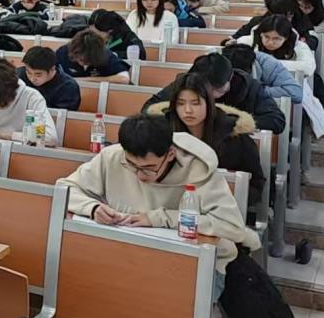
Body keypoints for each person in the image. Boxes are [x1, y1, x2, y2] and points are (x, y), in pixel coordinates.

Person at [56, 114, 261, 283]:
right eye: (131, 165)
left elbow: (231, 226)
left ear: (170, 154)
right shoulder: (112, 156)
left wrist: (159, 218)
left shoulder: (199, 170)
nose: (139, 175)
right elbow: (64, 188)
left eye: (149, 168)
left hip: (191, 265)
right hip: (127, 256)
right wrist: (92, 208)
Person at [146, 73, 266, 210]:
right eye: (180, 103)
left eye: (195, 103)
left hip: (222, 210)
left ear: (209, 103)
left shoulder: (235, 136)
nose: (188, 110)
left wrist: (226, 196)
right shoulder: (164, 132)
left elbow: (256, 184)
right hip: (169, 208)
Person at [143, 52, 286, 134]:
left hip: (231, 149)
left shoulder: (249, 87)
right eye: (204, 90)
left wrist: (230, 123)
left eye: (216, 90)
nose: (209, 95)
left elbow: (276, 121)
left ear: (230, 79)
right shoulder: (187, 84)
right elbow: (149, 109)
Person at [220, 43, 301, 120]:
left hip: (259, 113)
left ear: (252, 66)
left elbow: (295, 93)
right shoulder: (219, 63)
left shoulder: (268, 63)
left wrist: (256, 91)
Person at [236, 15, 315, 79]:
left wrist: (266, 64)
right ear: (261, 34)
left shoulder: (299, 46)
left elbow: (308, 68)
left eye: (276, 39)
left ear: (286, 38)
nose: (270, 42)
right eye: (266, 37)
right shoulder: (245, 42)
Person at [17, 46, 81, 110]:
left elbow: (63, 114)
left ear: (52, 69)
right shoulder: (18, 77)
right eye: (29, 73)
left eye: (38, 75)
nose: (32, 79)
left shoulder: (68, 87)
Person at [56, 29, 131, 82]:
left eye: (87, 60)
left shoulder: (106, 55)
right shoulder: (63, 52)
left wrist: (86, 80)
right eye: (80, 59)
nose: (82, 63)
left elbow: (124, 79)